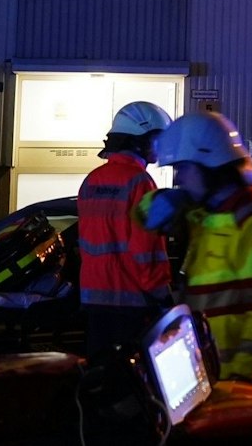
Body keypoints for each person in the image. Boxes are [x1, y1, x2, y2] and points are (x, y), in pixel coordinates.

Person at [140, 111, 252, 389]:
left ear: (210, 164)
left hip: (234, 383)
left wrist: (242, 382)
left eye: (182, 168)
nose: (179, 178)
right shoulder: (205, 214)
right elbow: (142, 215)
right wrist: (164, 200)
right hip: (205, 373)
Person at [78, 101, 173, 357]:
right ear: (138, 141)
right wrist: (163, 297)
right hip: (131, 303)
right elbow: (146, 250)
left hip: (94, 302)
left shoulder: (92, 181)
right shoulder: (139, 182)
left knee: (102, 378)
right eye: (157, 139)